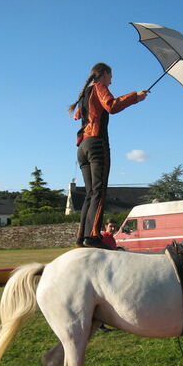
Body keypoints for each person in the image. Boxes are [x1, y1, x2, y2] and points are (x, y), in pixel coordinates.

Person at [69, 62, 148, 249]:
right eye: (110, 77)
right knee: (99, 191)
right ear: (104, 74)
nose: (111, 81)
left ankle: (81, 238)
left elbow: (77, 115)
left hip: (82, 147)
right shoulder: (99, 86)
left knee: (90, 193)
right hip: (97, 143)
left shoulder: (85, 93)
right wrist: (135, 97)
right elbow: (111, 105)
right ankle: (93, 236)